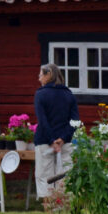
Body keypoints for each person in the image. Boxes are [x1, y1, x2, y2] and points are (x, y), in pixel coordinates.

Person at [33, 63, 79, 200]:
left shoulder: (40, 94)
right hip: (65, 142)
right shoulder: (69, 94)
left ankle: (48, 208)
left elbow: (43, 121)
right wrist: (63, 138)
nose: (39, 78)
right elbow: (75, 121)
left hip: (44, 140)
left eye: (40, 75)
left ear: (48, 75)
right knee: (65, 175)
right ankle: (63, 206)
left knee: (44, 175)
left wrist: (52, 140)